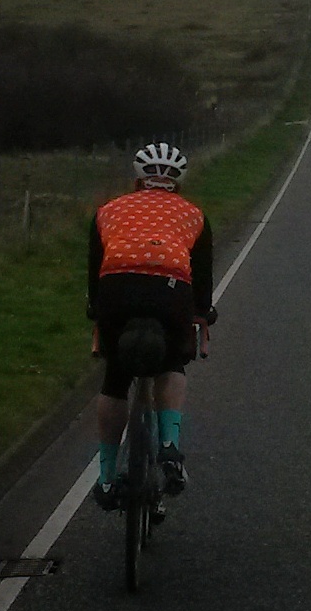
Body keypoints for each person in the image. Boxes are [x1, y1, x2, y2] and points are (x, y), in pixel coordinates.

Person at [87, 141, 216, 510]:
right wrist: (202, 312)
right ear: (178, 182)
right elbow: (202, 277)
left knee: (115, 380)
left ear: (137, 180)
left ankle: (106, 478)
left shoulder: (108, 210)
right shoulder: (193, 214)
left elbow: (95, 270)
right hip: (170, 289)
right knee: (172, 363)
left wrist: (96, 308)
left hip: (117, 287)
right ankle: (169, 447)